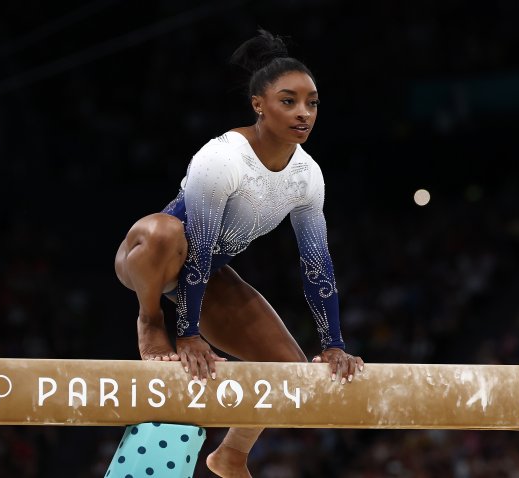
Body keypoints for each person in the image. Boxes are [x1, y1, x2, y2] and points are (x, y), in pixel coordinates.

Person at [113, 28, 365, 478]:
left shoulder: (307, 176)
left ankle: (230, 454)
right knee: (164, 229)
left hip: (208, 275)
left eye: (312, 102)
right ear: (259, 105)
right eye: (288, 101)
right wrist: (187, 333)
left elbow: (317, 263)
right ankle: (150, 319)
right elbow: (200, 243)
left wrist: (332, 345)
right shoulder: (223, 156)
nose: (303, 113)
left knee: (291, 372)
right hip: (152, 259)